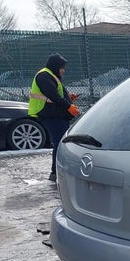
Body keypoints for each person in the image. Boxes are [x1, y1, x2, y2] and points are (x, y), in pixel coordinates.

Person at [28, 53, 79, 181]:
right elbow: (53, 96)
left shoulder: (51, 75)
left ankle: (57, 172)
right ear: (55, 66)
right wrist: (68, 106)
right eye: (62, 67)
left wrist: (69, 97)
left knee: (60, 142)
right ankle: (56, 173)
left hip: (54, 114)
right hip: (48, 114)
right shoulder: (44, 76)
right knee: (60, 143)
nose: (63, 70)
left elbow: (58, 92)